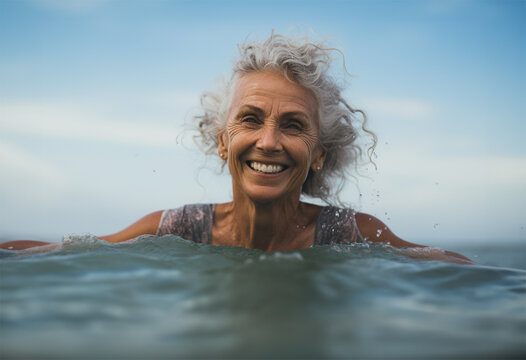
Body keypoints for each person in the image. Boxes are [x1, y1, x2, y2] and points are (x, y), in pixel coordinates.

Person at [0, 33, 471, 264]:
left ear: (320, 153)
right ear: (223, 142)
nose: (268, 141)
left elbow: (455, 270)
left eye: (292, 125)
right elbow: (66, 252)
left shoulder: (352, 233)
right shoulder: (176, 228)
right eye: (250, 120)